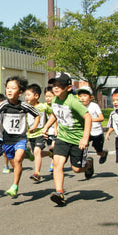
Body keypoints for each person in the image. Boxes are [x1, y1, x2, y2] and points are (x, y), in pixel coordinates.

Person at [42, 73, 93, 206]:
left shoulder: (73, 101)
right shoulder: (55, 100)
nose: (56, 88)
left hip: (77, 140)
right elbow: (55, 114)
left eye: (60, 85)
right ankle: (59, 192)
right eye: (54, 85)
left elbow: (88, 117)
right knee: (57, 164)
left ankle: (88, 164)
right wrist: (46, 127)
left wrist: (85, 138)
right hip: (63, 138)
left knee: (76, 169)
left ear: (68, 88)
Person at [0, 76, 40, 198]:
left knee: (17, 160)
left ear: (20, 92)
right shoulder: (3, 105)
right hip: (7, 140)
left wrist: (34, 126)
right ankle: (27, 154)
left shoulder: (24, 106)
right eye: (7, 88)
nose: (9, 90)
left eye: (13, 88)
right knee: (14, 164)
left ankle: (15, 186)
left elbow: (37, 115)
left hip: (20, 138)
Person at [76, 86, 108, 164]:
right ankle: (85, 163)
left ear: (91, 97)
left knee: (98, 151)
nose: (82, 98)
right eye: (80, 96)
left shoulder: (94, 106)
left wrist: (89, 120)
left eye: (85, 96)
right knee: (82, 148)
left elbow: (101, 118)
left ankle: (103, 154)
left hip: (96, 132)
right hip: (85, 132)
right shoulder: (78, 106)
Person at [26, 83, 52, 182]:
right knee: (37, 153)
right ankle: (51, 153)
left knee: (37, 151)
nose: (26, 97)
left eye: (29, 95)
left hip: (41, 133)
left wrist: (47, 127)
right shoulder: (26, 107)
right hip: (31, 135)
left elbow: (53, 115)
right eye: (26, 95)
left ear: (36, 96)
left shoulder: (43, 107)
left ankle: (37, 173)